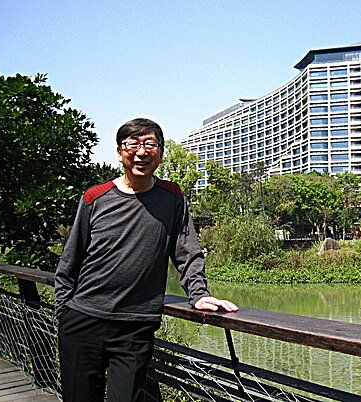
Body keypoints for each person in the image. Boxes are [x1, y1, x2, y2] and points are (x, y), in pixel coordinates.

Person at [54, 118, 238, 402]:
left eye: (150, 144)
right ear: (120, 152)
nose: (141, 152)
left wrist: (199, 294)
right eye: (133, 144)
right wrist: (64, 311)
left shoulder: (172, 197)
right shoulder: (95, 197)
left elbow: (186, 251)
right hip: (83, 320)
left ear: (160, 154)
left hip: (135, 325)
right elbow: (71, 258)